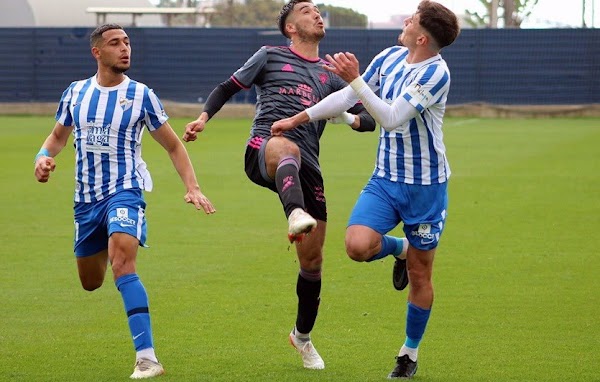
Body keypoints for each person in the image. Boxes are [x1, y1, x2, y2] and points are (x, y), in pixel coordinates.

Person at [182, 0, 375, 370]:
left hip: (309, 167)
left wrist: (346, 116)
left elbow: (370, 121)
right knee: (284, 147)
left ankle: (301, 337)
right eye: (306, 10)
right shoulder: (269, 56)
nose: (316, 13)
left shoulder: (333, 76)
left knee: (313, 262)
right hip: (264, 147)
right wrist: (203, 118)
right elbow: (227, 86)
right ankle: (295, 212)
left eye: (317, 9)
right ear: (290, 28)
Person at [271, 1, 460, 378]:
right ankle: (401, 249)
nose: (405, 22)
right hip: (385, 179)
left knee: (422, 276)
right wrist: (297, 118)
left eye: (412, 20)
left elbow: (390, 119)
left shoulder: (435, 73)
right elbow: (346, 98)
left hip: (425, 187)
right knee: (357, 246)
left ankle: (408, 354)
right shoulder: (391, 55)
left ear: (422, 37)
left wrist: (355, 79)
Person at [33, 23, 216, 379]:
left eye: (127, 42)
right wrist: (42, 157)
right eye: (115, 43)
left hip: (125, 191)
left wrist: (192, 186)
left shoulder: (142, 95)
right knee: (90, 281)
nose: (124, 48)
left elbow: (174, 145)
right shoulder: (76, 93)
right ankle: (99, 242)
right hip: (85, 200)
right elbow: (57, 136)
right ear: (97, 52)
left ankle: (147, 358)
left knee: (123, 262)